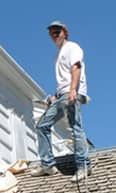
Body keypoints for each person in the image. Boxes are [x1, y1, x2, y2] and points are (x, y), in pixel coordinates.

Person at [31, 20, 91, 182]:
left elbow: (76, 67)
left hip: (72, 93)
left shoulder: (72, 47)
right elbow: (63, 78)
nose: (55, 35)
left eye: (58, 31)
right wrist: (55, 97)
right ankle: (48, 165)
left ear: (65, 32)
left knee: (75, 127)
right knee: (42, 125)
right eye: (52, 33)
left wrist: (73, 90)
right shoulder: (58, 54)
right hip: (62, 95)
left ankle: (83, 166)